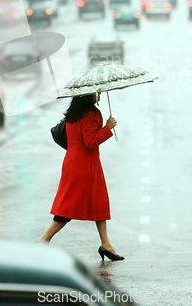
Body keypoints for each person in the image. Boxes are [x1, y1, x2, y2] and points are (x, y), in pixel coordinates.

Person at [39, 91, 124, 261]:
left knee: (98, 203)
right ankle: (44, 239)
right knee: (69, 206)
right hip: (85, 166)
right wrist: (108, 127)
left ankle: (106, 243)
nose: (99, 94)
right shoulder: (91, 113)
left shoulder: (73, 113)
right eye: (96, 92)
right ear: (87, 95)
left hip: (73, 162)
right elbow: (90, 142)